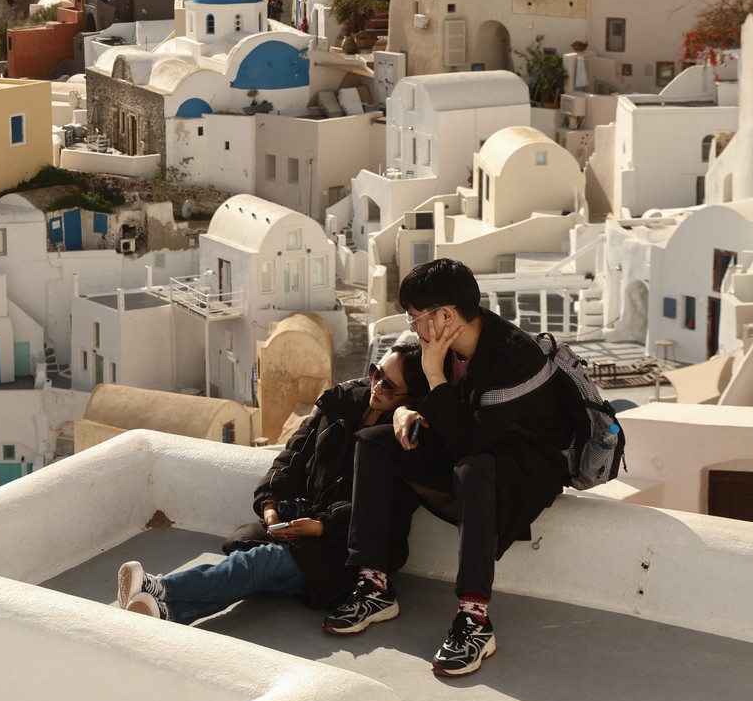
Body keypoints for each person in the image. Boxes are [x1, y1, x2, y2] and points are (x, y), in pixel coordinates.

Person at [321, 257, 579, 677]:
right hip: (475, 452)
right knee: (374, 443)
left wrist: (434, 378)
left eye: (414, 316)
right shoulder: (441, 349)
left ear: (444, 316)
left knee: (473, 468)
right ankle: (375, 584)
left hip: (524, 472)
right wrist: (408, 410)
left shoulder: (516, 357)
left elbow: (469, 442)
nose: (412, 327)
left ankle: (474, 618)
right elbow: (450, 421)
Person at [116, 345, 423, 625]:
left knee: (259, 563)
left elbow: (383, 511)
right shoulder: (341, 403)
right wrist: (271, 505)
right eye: (376, 372)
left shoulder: (403, 443)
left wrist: (322, 527)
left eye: (390, 384)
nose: (377, 384)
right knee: (249, 550)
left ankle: (160, 588)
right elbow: (292, 456)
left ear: (409, 397)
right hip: (305, 525)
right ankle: (167, 611)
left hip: (346, 552)